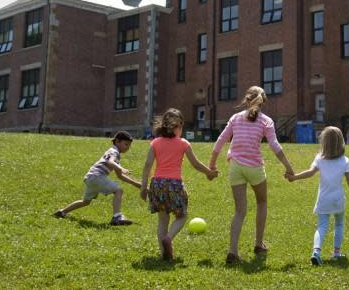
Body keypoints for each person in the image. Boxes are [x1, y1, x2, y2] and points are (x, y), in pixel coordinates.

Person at [209, 86, 295, 265]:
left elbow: (220, 141)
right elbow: (275, 146)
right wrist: (288, 167)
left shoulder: (235, 118)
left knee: (239, 211)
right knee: (262, 202)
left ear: (246, 100)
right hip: (255, 168)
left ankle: (232, 251)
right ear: (263, 102)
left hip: (235, 167)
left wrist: (212, 165)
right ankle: (258, 244)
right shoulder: (266, 121)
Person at [140, 108, 218, 261]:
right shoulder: (183, 143)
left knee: (162, 219)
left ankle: (164, 254)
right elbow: (195, 164)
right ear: (178, 126)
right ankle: (169, 238)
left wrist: (144, 186)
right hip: (174, 184)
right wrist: (209, 172)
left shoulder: (155, 142)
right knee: (182, 216)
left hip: (157, 184)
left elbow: (147, 165)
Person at [287, 126, 349, 266]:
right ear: (341, 142)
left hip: (324, 200)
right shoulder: (345, 161)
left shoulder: (319, 159)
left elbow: (310, 172)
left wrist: (295, 177)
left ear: (324, 142)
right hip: (338, 200)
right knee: (339, 224)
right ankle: (337, 253)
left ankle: (316, 252)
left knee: (321, 226)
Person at [53, 130, 141, 225]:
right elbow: (110, 162)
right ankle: (117, 217)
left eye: (129, 145)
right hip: (97, 176)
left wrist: (135, 184)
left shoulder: (115, 153)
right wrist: (121, 167)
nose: (127, 148)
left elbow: (119, 176)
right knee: (119, 190)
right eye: (126, 144)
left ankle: (62, 212)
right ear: (117, 141)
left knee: (85, 202)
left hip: (91, 177)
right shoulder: (114, 151)